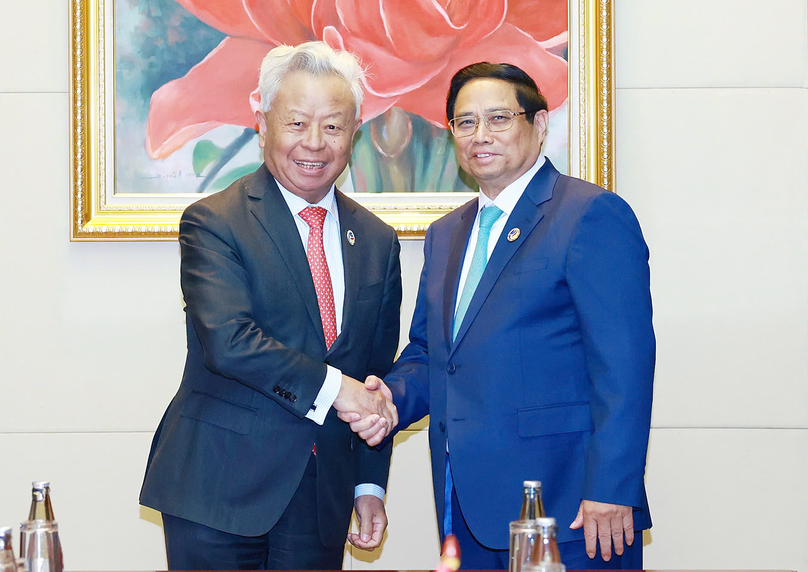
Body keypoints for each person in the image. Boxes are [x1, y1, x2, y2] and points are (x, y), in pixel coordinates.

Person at [351, 62, 655, 570]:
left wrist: (612, 486)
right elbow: (433, 355)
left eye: (498, 118)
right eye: (465, 122)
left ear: (538, 125)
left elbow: (623, 365)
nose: (480, 135)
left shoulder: (590, 214)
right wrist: (386, 399)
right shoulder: (446, 234)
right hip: (465, 504)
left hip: (570, 508)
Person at [140, 41, 402, 570]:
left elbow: (372, 376)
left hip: (322, 499)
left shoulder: (377, 240)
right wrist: (338, 390)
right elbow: (229, 341)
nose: (314, 143)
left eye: (332, 126)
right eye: (296, 122)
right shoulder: (214, 221)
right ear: (263, 123)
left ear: (355, 132)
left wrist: (368, 483)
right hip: (217, 491)